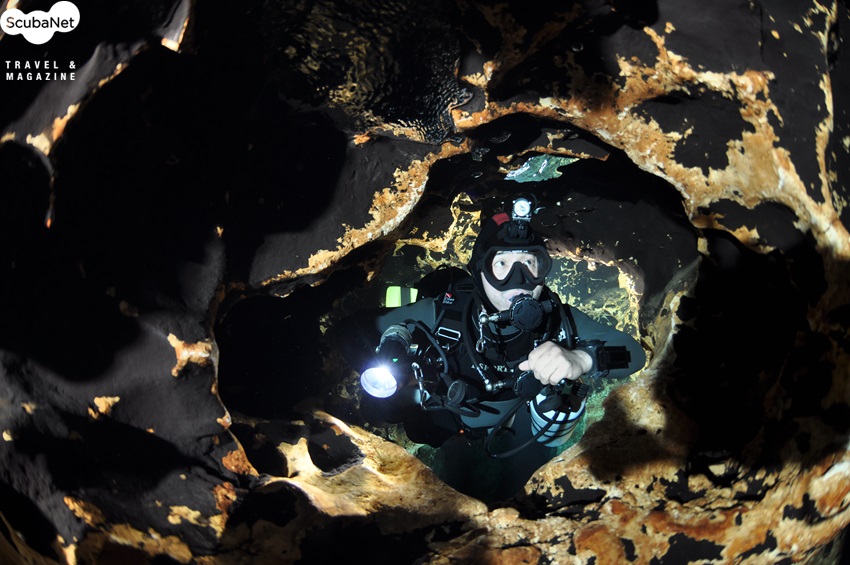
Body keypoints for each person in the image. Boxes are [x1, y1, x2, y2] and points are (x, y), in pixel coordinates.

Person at [343, 197, 645, 499]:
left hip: (516, 419)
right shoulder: (446, 314)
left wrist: (581, 359)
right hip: (449, 415)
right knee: (399, 419)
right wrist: (394, 358)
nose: (519, 280)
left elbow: (633, 354)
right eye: (502, 264)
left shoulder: (559, 321)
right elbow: (347, 334)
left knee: (547, 438)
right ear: (480, 270)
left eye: (530, 263)